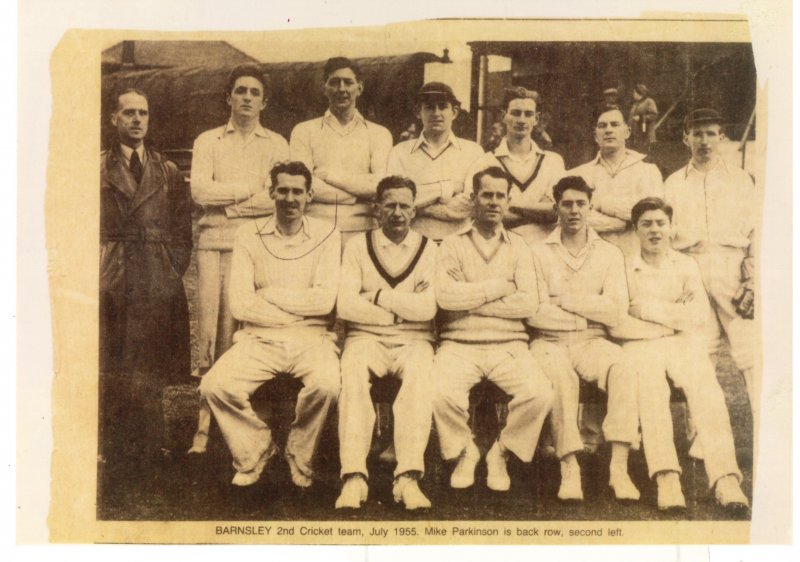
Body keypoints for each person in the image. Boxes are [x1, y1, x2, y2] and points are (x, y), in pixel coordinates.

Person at [199, 161, 341, 488]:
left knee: (328, 386)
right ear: (271, 192)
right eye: (283, 190)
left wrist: (271, 294)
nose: (290, 198)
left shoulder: (327, 234)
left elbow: (324, 302)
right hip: (257, 339)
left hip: (312, 340)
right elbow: (241, 303)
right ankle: (256, 450)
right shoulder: (249, 233)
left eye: (297, 191)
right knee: (214, 386)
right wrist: (296, 310)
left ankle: (299, 453)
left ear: (309, 195)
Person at [610, 197, 749, 512]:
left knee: (707, 390)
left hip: (682, 342)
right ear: (635, 230)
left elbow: (698, 315)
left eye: (661, 223)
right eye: (647, 224)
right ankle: (666, 478)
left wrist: (646, 309)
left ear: (671, 228)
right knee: (651, 390)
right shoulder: (623, 265)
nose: (655, 230)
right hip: (640, 343)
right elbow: (619, 321)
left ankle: (726, 479)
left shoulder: (686, 264)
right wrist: (673, 314)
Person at [432, 167, 553, 492]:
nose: (494, 202)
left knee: (540, 393)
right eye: (487, 194)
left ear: (509, 201)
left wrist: (470, 299)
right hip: (459, 343)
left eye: (501, 196)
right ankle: (465, 451)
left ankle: (501, 453)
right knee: (438, 393)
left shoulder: (520, 247)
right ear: (474, 198)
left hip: (509, 345)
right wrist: (501, 287)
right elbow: (445, 298)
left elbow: (528, 304)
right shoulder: (451, 245)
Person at [527, 176, 640, 503]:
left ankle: (619, 468)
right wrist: (590, 309)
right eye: (567, 204)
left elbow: (617, 311)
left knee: (623, 367)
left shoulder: (609, 252)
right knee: (560, 377)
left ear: (590, 207)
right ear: (556, 207)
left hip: (593, 341)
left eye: (581, 204)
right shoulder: (536, 252)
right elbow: (534, 312)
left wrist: (565, 300)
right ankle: (569, 465)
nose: (574, 210)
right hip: (548, 341)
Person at [100, 88, 192, 461]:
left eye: (144, 113)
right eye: (129, 113)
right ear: (114, 119)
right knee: (113, 357)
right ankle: (111, 443)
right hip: (116, 271)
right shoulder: (97, 167)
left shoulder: (166, 170)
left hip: (156, 274)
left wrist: (170, 268)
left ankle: (153, 442)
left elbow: (182, 229)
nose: (137, 120)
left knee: (152, 360)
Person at [335, 176, 438, 510]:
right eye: (390, 205)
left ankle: (407, 478)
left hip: (414, 341)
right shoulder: (357, 246)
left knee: (420, 380)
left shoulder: (429, 248)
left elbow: (428, 309)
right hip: (365, 338)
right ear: (376, 209)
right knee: (351, 376)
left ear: (414, 210)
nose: (397, 213)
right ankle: (354, 477)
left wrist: (377, 296)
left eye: (404, 205)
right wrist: (398, 312)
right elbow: (346, 306)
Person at [190, 64, 290, 378]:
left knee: (251, 321)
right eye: (240, 91)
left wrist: (231, 207)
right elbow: (201, 192)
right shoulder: (208, 141)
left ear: (265, 103)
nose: (247, 98)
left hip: (259, 243)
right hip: (215, 244)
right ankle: (211, 396)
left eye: (254, 92)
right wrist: (249, 191)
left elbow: (275, 196)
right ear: (229, 98)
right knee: (213, 324)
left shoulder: (277, 144)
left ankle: (251, 390)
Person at [664, 108, 758, 411]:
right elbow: (667, 235)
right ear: (685, 138)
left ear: (721, 137)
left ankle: (764, 428)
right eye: (697, 133)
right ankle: (701, 437)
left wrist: (753, 277)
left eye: (710, 133)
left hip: (731, 266)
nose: (703, 140)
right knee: (699, 352)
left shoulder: (741, 180)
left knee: (748, 350)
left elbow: (755, 231)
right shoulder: (673, 183)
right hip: (691, 265)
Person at [290, 57, 393, 240]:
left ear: (359, 88)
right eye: (334, 82)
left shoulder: (379, 134)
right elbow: (303, 185)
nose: (342, 89)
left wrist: (328, 176)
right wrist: (355, 196)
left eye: (348, 82)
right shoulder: (304, 131)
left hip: (363, 232)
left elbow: (379, 186)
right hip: (314, 230)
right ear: (324, 88)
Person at [387, 82, 485, 241]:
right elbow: (395, 199)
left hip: (460, 244)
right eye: (429, 107)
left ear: (454, 112)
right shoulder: (400, 152)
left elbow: (471, 205)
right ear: (418, 112)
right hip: (413, 244)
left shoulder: (473, 151)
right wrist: (447, 188)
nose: (436, 113)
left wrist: (417, 206)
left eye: (442, 106)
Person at [468, 87, 565, 246]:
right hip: (499, 249)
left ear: (536, 118)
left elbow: (557, 212)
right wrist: (540, 209)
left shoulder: (553, 161)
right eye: (515, 113)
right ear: (503, 115)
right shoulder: (485, 161)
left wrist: (509, 205)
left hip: (544, 250)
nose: (521, 120)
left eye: (528, 114)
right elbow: (478, 211)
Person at [569, 106, 663, 259]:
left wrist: (600, 204)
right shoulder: (579, 174)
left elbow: (649, 214)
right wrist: (624, 224)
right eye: (602, 126)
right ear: (595, 136)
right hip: (592, 259)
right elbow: (573, 219)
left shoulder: (648, 171)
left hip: (636, 258)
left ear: (627, 132)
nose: (608, 130)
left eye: (615, 124)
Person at [628, 84, 659, 153]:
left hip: (645, 133)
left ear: (640, 93)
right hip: (635, 135)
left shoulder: (649, 101)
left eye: (634, 92)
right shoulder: (635, 104)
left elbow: (654, 115)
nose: (633, 94)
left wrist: (641, 118)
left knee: (645, 154)